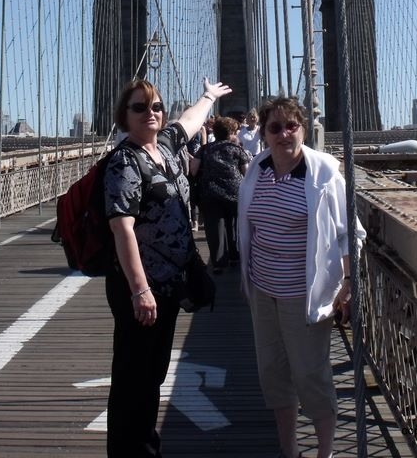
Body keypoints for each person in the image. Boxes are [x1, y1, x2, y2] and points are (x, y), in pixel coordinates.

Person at [103, 76, 231, 458]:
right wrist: (139, 290)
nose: (151, 113)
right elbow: (122, 228)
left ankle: (144, 446)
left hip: (169, 286)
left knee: (153, 372)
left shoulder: (167, 146)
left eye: (156, 106)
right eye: (140, 107)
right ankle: (132, 451)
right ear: (124, 116)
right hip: (141, 289)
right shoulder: (125, 161)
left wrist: (208, 96)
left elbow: (189, 121)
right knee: (134, 378)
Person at [237, 96, 365, 458]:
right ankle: (289, 449)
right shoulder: (256, 170)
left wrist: (348, 282)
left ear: (303, 130)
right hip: (263, 292)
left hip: (303, 294)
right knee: (273, 373)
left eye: (291, 125)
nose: (284, 134)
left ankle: (325, 453)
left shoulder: (323, 175)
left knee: (310, 375)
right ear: (263, 134)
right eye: (275, 127)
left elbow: (349, 233)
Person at [189, 116, 251, 273]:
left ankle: (218, 263)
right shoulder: (237, 149)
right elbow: (247, 173)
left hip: (210, 192)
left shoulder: (205, 149)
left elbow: (193, 170)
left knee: (214, 226)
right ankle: (234, 257)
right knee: (234, 224)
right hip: (234, 192)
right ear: (230, 133)